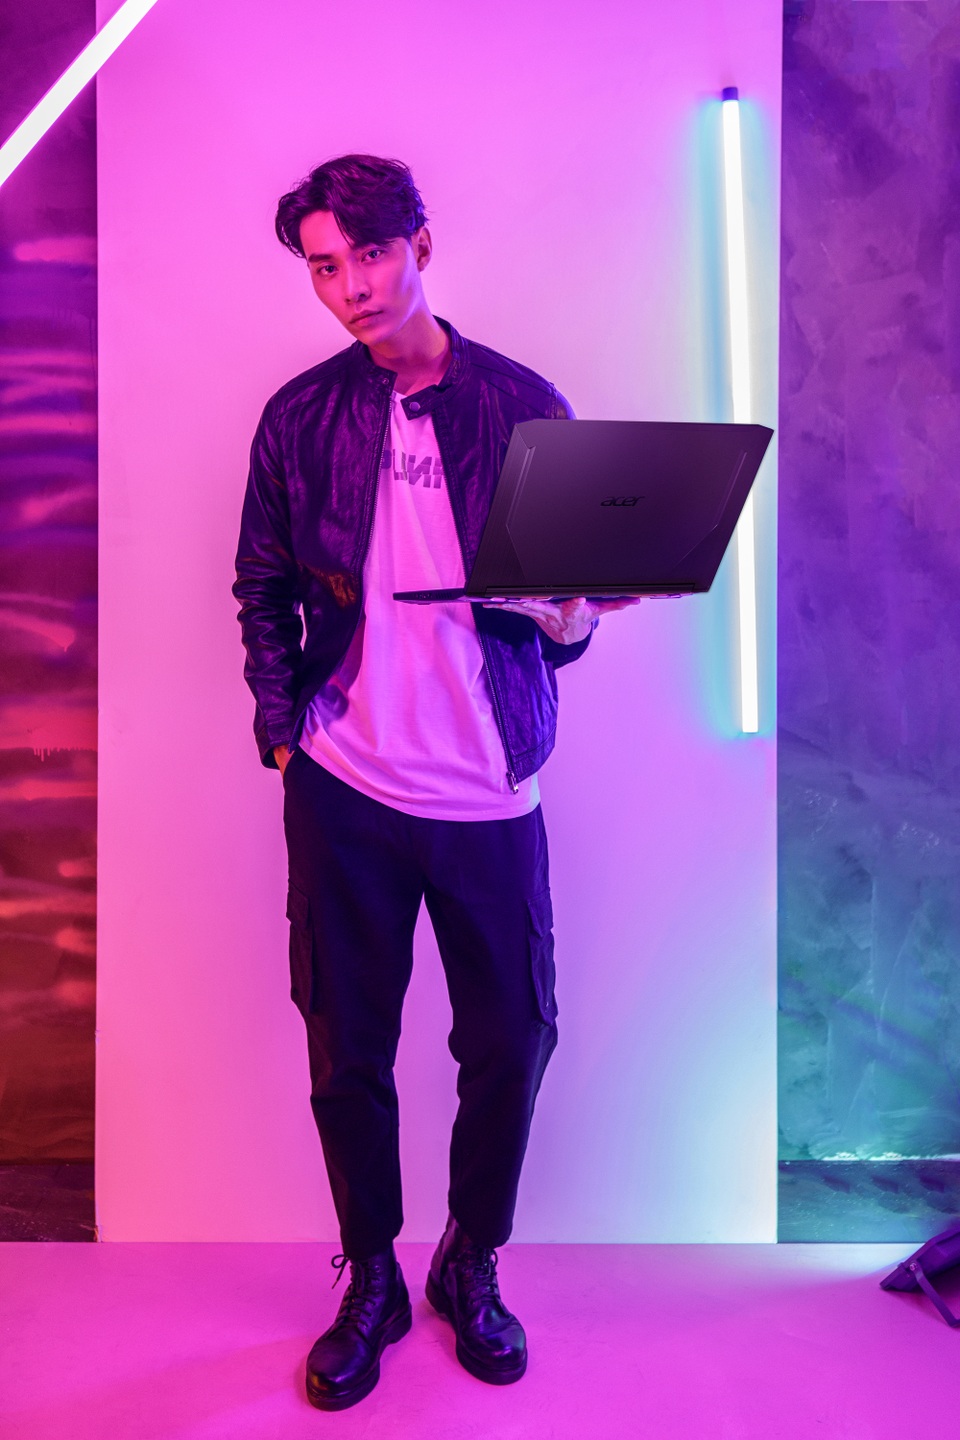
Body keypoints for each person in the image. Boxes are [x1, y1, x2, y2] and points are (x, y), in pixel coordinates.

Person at [233, 153, 636, 1411]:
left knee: (512, 1042)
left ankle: (471, 1259)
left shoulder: (522, 405)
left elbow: (564, 620)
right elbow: (260, 587)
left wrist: (576, 614)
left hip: (488, 790)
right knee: (346, 1049)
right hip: (345, 788)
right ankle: (371, 1277)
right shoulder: (299, 419)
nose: (350, 286)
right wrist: (284, 731)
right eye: (324, 266)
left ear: (419, 245)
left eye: (367, 253)